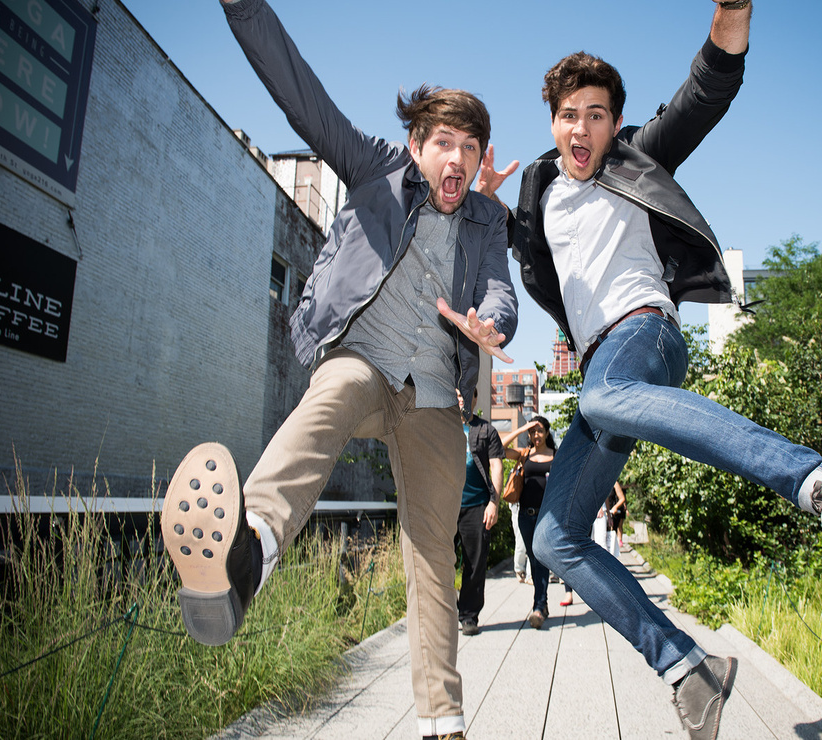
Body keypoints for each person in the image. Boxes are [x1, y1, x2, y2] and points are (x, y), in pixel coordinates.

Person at [477, 2, 822, 738]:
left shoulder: (637, 156)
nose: (582, 129)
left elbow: (706, 91)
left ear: (615, 124)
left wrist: (731, 13)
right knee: (554, 537)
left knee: (603, 397)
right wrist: (489, 209)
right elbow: (524, 254)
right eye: (569, 115)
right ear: (552, 122)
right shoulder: (539, 193)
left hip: (645, 332)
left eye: (597, 115)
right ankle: (687, 668)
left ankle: (818, 481)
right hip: (603, 372)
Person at [160, 2, 517, 738]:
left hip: (432, 398)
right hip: (363, 359)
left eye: (470, 147)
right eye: (443, 143)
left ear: (482, 157)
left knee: (432, 555)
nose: (456, 160)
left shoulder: (488, 221)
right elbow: (303, 97)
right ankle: (248, 552)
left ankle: (443, 722)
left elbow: (499, 290)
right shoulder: (375, 167)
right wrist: (244, 9)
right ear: (415, 145)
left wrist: (493, 323)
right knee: (327, 403)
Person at [455, 390, 504, 636]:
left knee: (475, 563)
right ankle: (443, 611)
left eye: (466, 394)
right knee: (439, 562)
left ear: (475, 398)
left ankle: (468, 615)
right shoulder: (441, 426)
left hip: (476, 506)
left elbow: (496, 465)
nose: (461, 399)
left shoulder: (486, 430)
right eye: (457, 394)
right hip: (445, 505)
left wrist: (494, 502)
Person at [501, 416, 556, 628]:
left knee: (541, 558)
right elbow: (500, 448)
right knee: (533, 559)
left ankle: (538, 607)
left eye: (539, 430)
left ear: (547, 433)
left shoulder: (555, 455)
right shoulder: (524, 454)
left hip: (547, 516)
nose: (536, 435)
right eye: (532, 432)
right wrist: (522, 428)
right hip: (526, 514)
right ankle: (542, 604)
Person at [605, 482, 627, 558]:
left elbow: (622, 498)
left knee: (610, 536)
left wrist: (615, 507)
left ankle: (611, 556)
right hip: (602, 514)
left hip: (612, 514)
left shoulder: (614, 483)